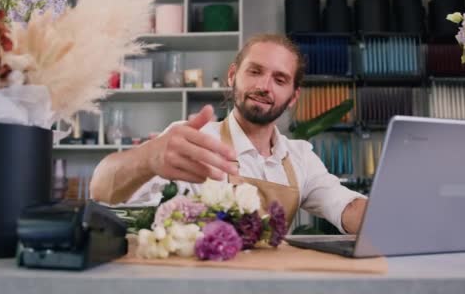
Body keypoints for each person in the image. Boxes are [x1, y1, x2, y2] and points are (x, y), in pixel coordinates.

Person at [90, 34, 367, 234]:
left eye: (279, 79)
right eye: (255, 71)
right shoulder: (189, 140)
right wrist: (148, 158)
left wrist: (387, 218)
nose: (264, 86)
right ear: (232, 76)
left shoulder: (300, 157)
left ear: (293, 97)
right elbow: (102, 190)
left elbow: (344, 205)